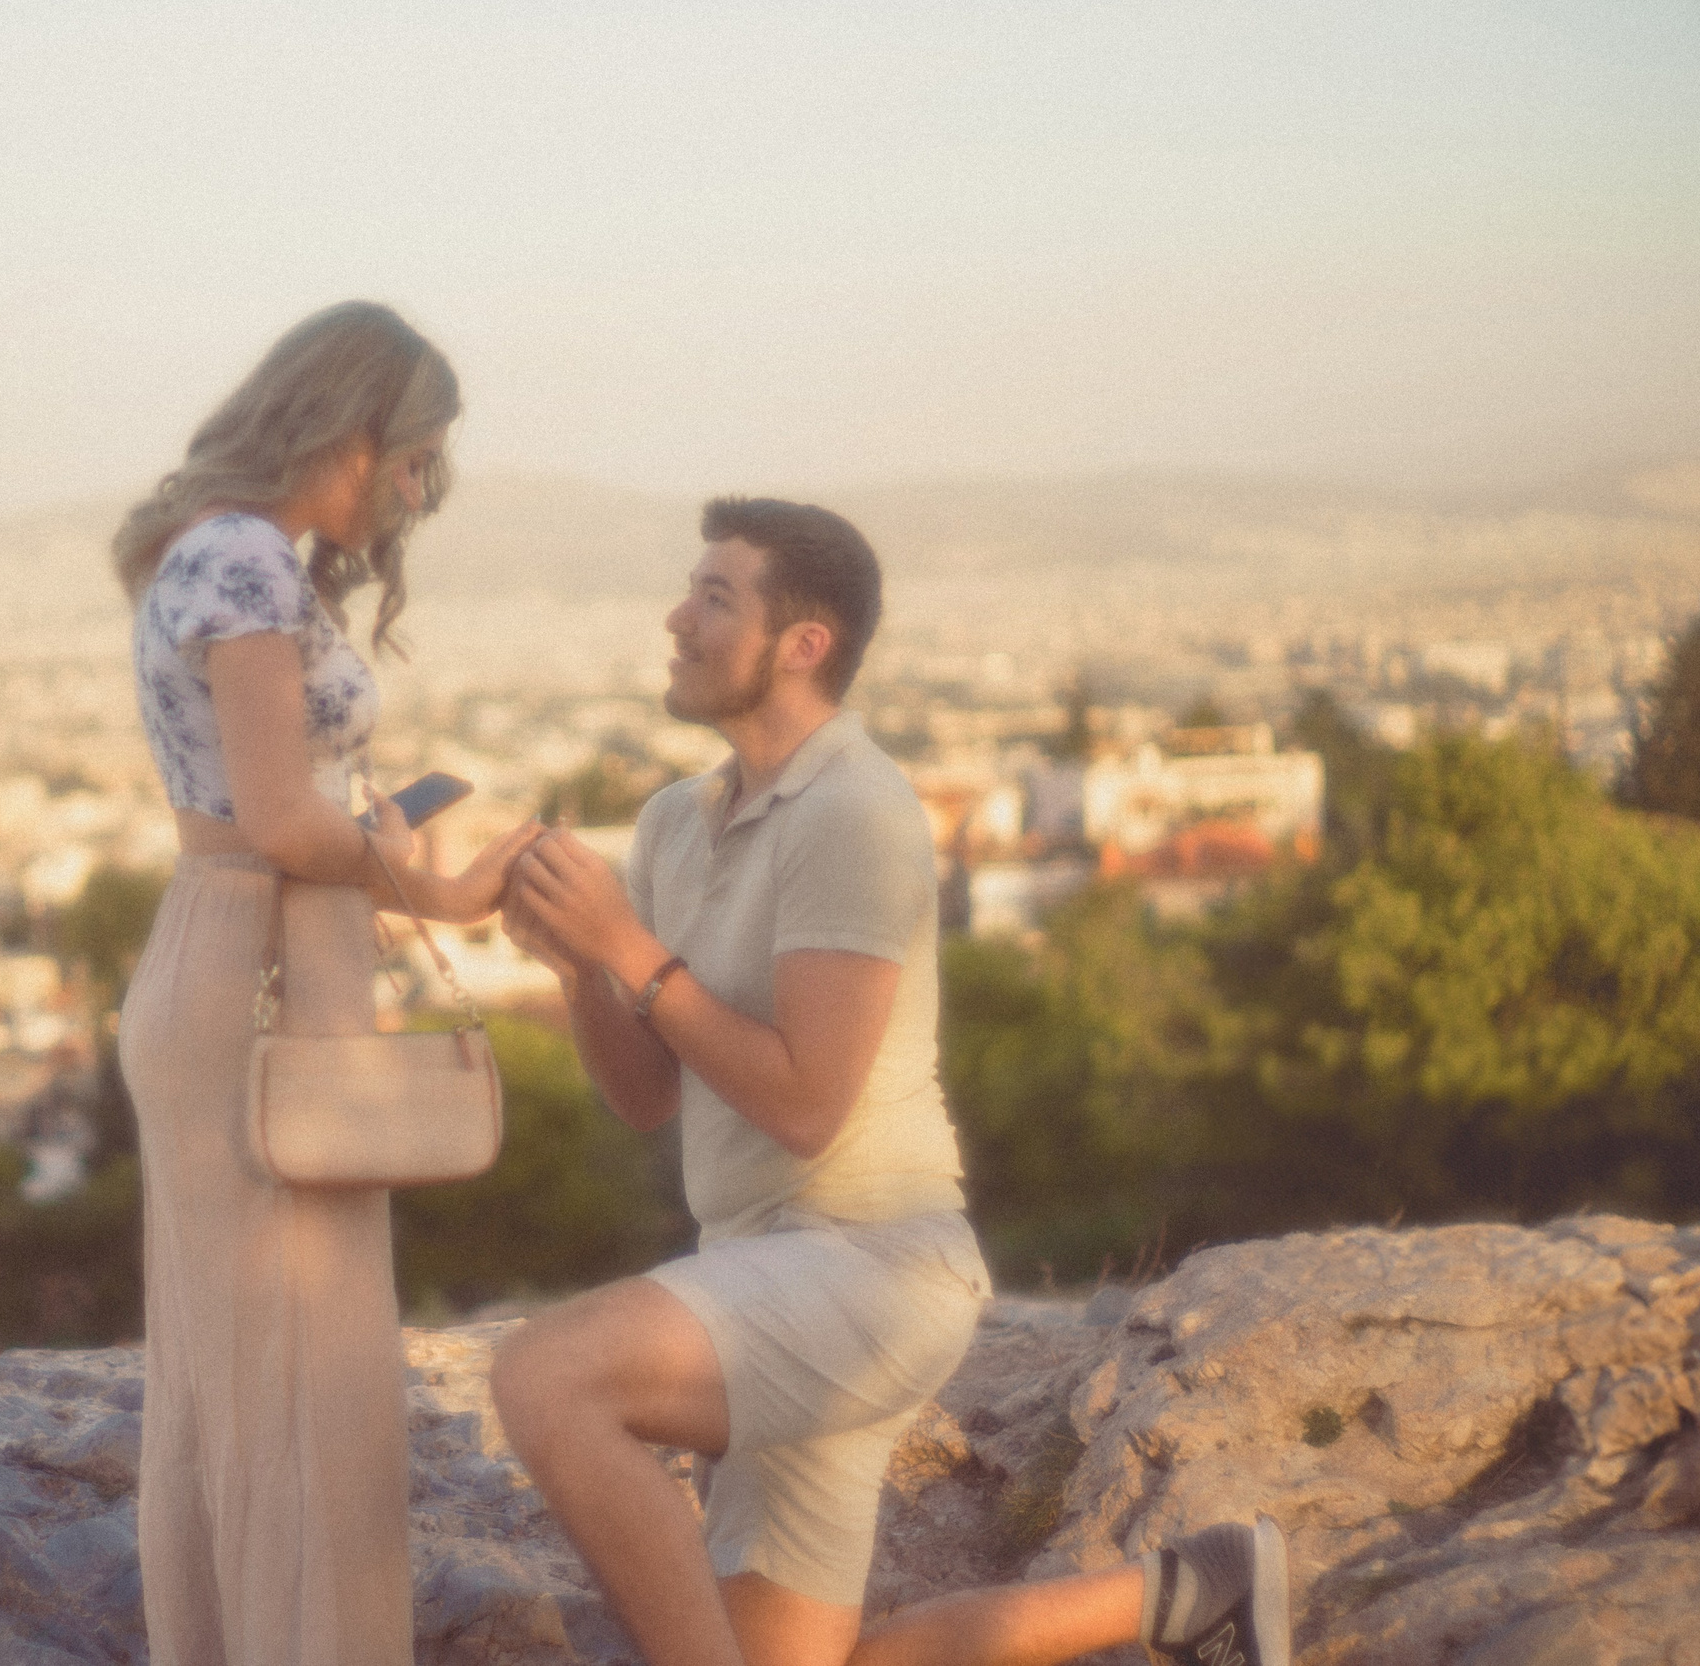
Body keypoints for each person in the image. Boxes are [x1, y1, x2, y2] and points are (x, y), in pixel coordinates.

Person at [493, 498, 1290, 1666]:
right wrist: (579, 969)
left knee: (545, 1376)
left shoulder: (854, 813)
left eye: (714, 597)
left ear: (802, 644)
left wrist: (625, 948)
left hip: (868, 1270)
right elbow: (647, 1095)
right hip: (755, 1275)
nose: (676, 618)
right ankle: (1196, 1588)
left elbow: (805, 1106)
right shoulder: (673, 823)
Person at [111, 301, 542, 1666]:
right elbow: (283, 821)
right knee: (303, 1384)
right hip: (257, 958)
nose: (420, 488)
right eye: (412, 456)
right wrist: (440, 891)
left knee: (252, 1382)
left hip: (255, 951)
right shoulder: (243, 559)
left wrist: (377, 837)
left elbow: (281, 810)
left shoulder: (226, 551)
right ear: (346, 431)